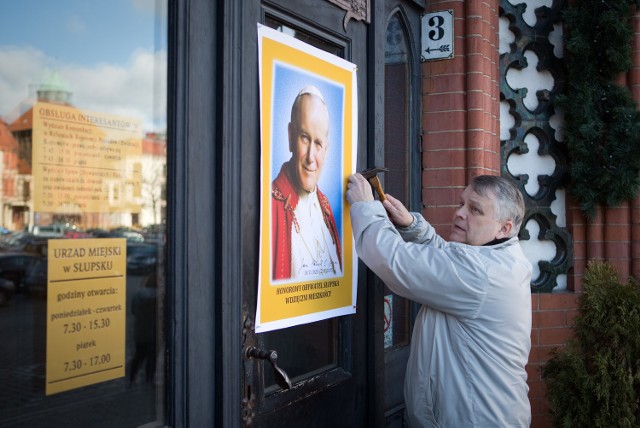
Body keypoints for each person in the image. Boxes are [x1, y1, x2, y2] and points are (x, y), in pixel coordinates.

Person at [346, 173, 532, 427]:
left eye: (475, 209)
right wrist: (412, 225)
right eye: (461, 203)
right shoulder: (499, 259)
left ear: (504, 228)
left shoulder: (482, 274)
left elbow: (396, 262)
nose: (460, 213)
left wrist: (365, 207)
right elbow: (448, 260)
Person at [271, 85, 342, 280]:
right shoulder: (272, 206)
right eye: (304, 138)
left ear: (326, 149)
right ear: (290, 136)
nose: (311, 157)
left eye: (318, 143)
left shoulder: (326, 208)